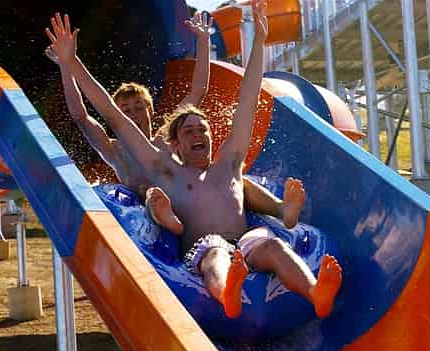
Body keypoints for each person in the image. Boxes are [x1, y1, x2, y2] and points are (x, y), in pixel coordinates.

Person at [45, 5, 342, 319]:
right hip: (204, 244)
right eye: (189, 131)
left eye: (203, 129)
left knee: (273, 246)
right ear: (176, 144)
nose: (198, 134)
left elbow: (248, 98)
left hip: (246, 240)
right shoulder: (164, 170)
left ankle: (315, 292)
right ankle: (227, 292)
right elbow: (110, 114)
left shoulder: (228, 162)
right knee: (215, 255)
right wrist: (71, 62)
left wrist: (259, 40)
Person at [44, 12, 304, 231]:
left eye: (139, 107)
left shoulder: (165, 137)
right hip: (152, 210)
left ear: (151, 110)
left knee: (233, 178)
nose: (133, 114)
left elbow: (198, 92)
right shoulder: (115, 149)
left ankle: (280, 209)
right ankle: (165, 216)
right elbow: (80, 116)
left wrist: (203, 42)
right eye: (126, 110)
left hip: (186, 205)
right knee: (150, 191)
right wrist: (67, 66)